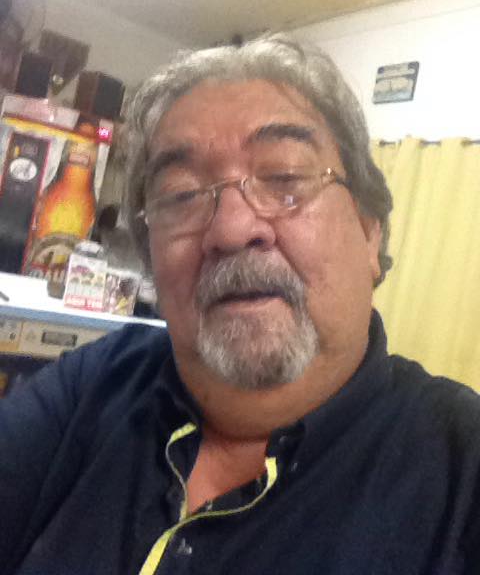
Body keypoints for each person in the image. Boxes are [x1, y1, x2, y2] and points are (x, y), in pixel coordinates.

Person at [1, 36, 479, 575]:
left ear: (370, 233)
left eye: (285, 178)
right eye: (182, 194)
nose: (230, 229)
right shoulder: (93, 383)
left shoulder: (462, 475)